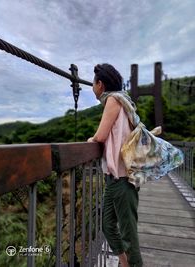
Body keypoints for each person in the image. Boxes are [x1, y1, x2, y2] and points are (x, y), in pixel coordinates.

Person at [87, 63, 143, 267]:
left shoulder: (113, 100)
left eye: (93, 84)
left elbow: (100, 136)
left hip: (123, 178)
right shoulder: (124, 101)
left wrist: (91, 139)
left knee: (128, 233)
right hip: (113, 177)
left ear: (100, 84)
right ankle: (124, 263)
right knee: (108, 225)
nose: (92, 88)